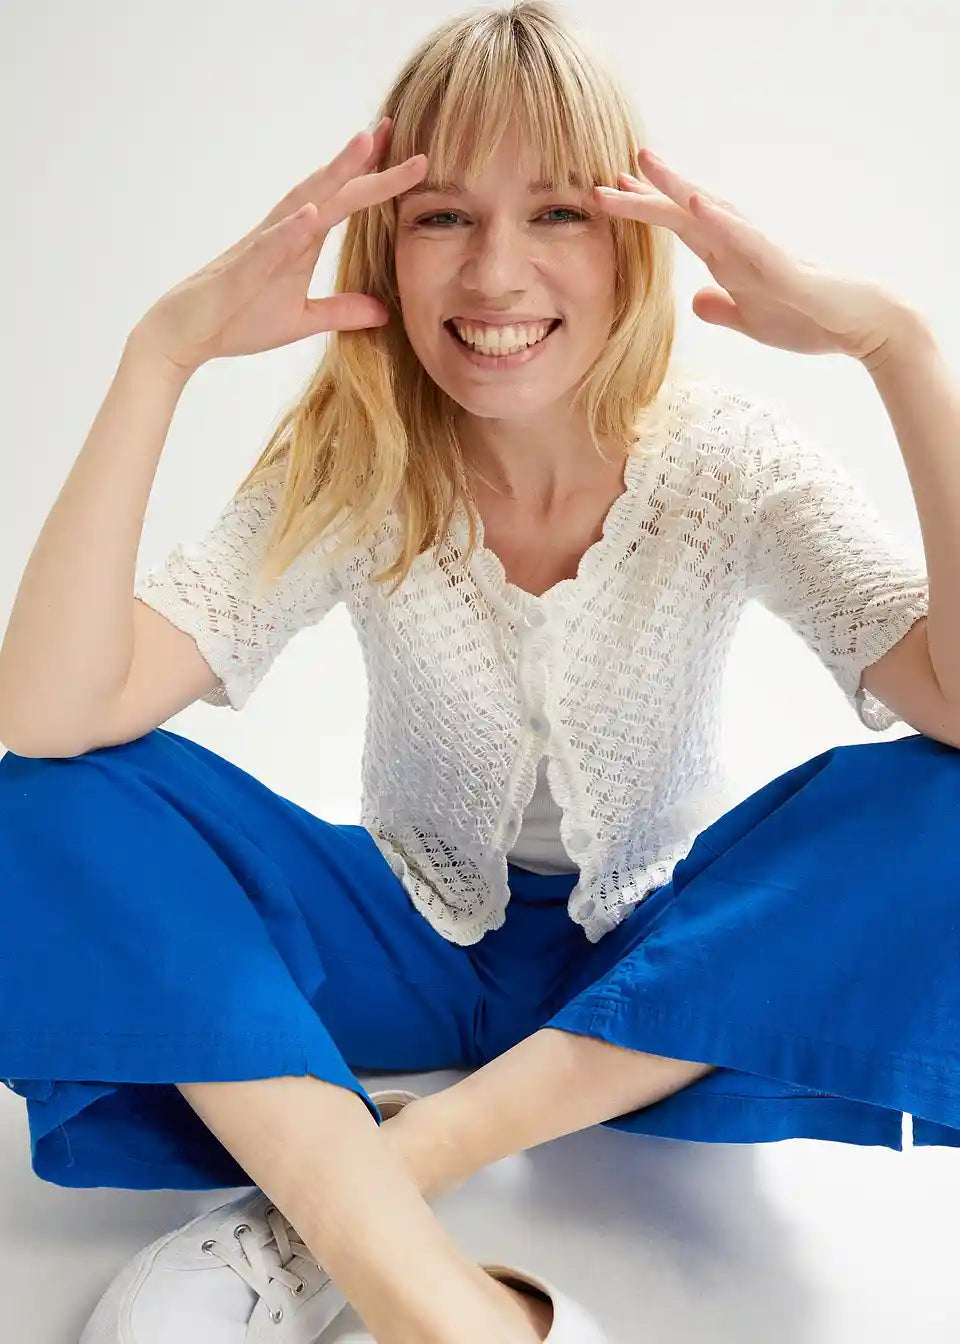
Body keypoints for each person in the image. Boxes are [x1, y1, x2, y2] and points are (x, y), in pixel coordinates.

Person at [1, 2, 958, 1342]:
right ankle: (456, 1313)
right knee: (46, 798)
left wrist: (897, 346)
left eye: (557, 212)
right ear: (385, 249)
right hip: (408, 935)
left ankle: (361, 1180)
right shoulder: (358, 464)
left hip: (659, 978)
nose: (496, 274)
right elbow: (51, 716)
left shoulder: (729, 462)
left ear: (630, 244)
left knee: (946, 804)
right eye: (443, 216)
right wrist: (160, 354)